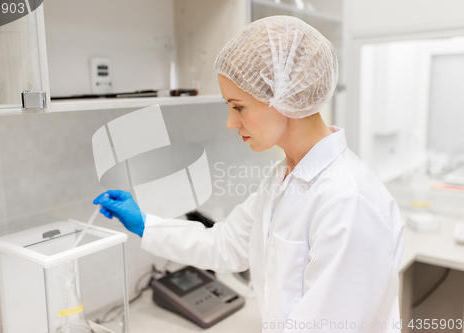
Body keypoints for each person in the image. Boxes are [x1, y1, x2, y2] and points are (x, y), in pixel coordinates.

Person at [94, 16, 405, 333]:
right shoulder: (285, 177)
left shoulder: (347, 201)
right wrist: (146, 225)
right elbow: (227, 244)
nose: (230, 122)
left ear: (284, 97)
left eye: (238, 107)